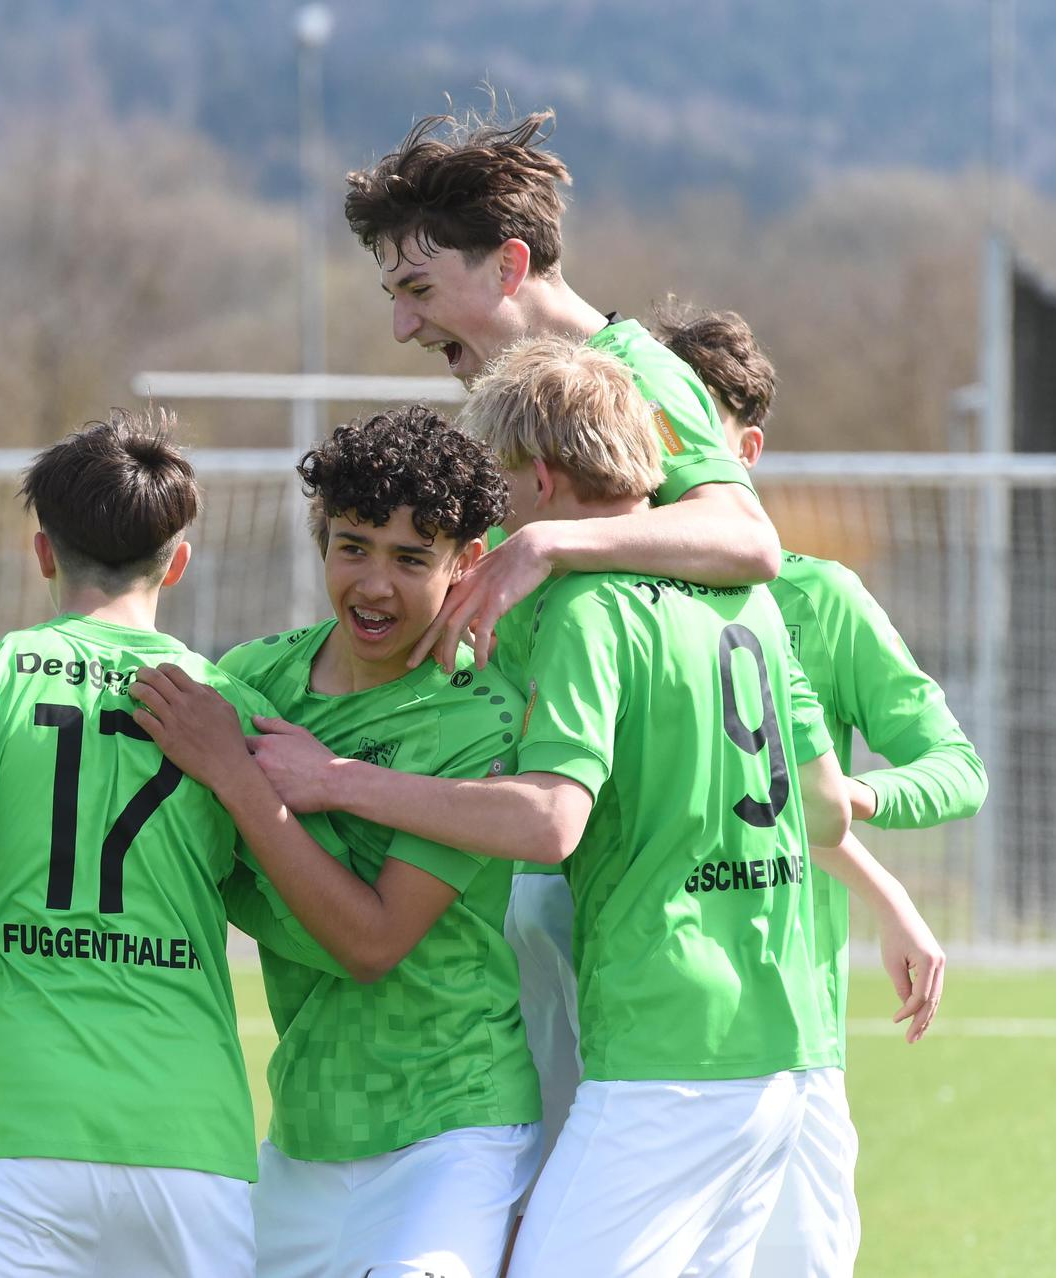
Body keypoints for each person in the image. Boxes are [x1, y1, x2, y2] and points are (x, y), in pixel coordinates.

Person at [244, 336, 937, 1275]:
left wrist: (337, 779)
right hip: (786, 1038)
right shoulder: (749, 601)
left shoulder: (588, 609)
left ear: (539, 476)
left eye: (501, 476)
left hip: (666, 1041)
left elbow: (549, 821)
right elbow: (820, 809)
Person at [344, 108, 786, 1164]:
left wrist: (548, 544)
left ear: (508, 266)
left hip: (631, 880)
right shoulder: (519, 408)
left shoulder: (634, 371)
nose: (402, 326)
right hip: (556, 863)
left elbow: (748, 538)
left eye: (418, 289)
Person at [0, 410, 283, 1277]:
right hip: (188, 1143)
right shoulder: (226, 703)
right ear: (177, 563)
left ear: (43, 553)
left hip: (10, 1136)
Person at [130, 404, 543, 1277]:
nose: (374, 585)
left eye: (411, 559)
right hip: (306, 1129)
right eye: (354, 546)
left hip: (452, 1126)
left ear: (467, 563)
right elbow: (167, 855)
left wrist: (241, 779)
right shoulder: (253, 678)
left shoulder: (479, 716)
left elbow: (371, 941)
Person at [653, 302, 976, 1276]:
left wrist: (853, 804)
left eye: (691, 429)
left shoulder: (820, 600)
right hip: (622, 1035)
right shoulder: (587, 600)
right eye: (647, 422)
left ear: (744, 452)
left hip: (785, 1040)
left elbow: (954, 766)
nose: (664, 454)